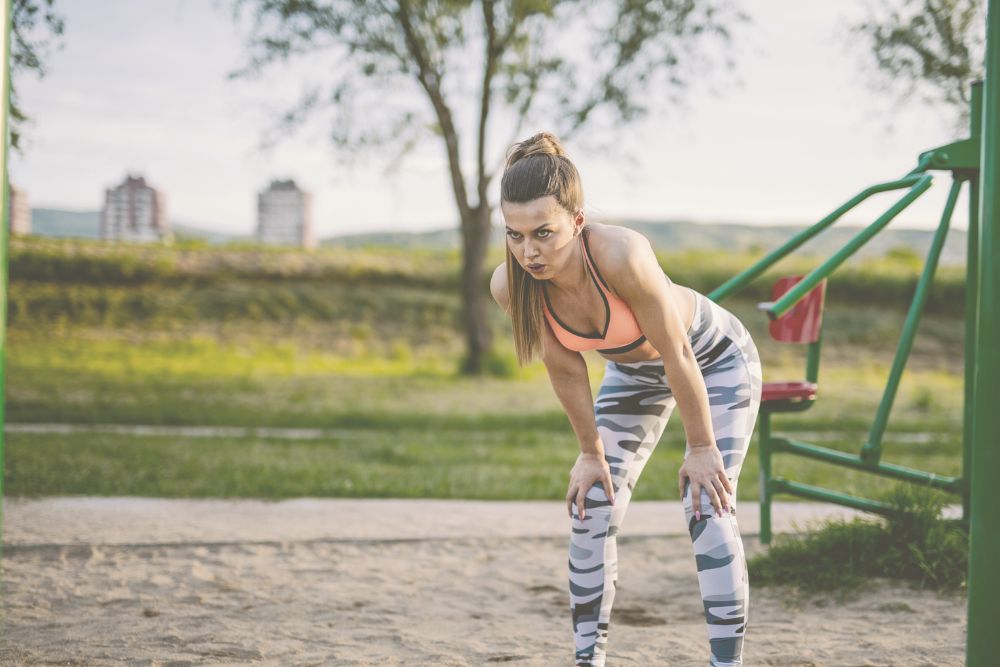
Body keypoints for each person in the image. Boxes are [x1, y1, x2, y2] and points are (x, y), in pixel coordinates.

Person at [489, 132, 763, 667]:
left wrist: (701, 447)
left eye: (543, 233)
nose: (529, 251)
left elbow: (678, 352)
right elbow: (566, 370)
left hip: (712, 360)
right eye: (515, 235)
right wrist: (590, 453)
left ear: (577, 220)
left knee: (706, 503)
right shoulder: (511, 284)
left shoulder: (620, 254)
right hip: (634, 375)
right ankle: (587, 660)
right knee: (591, 505)